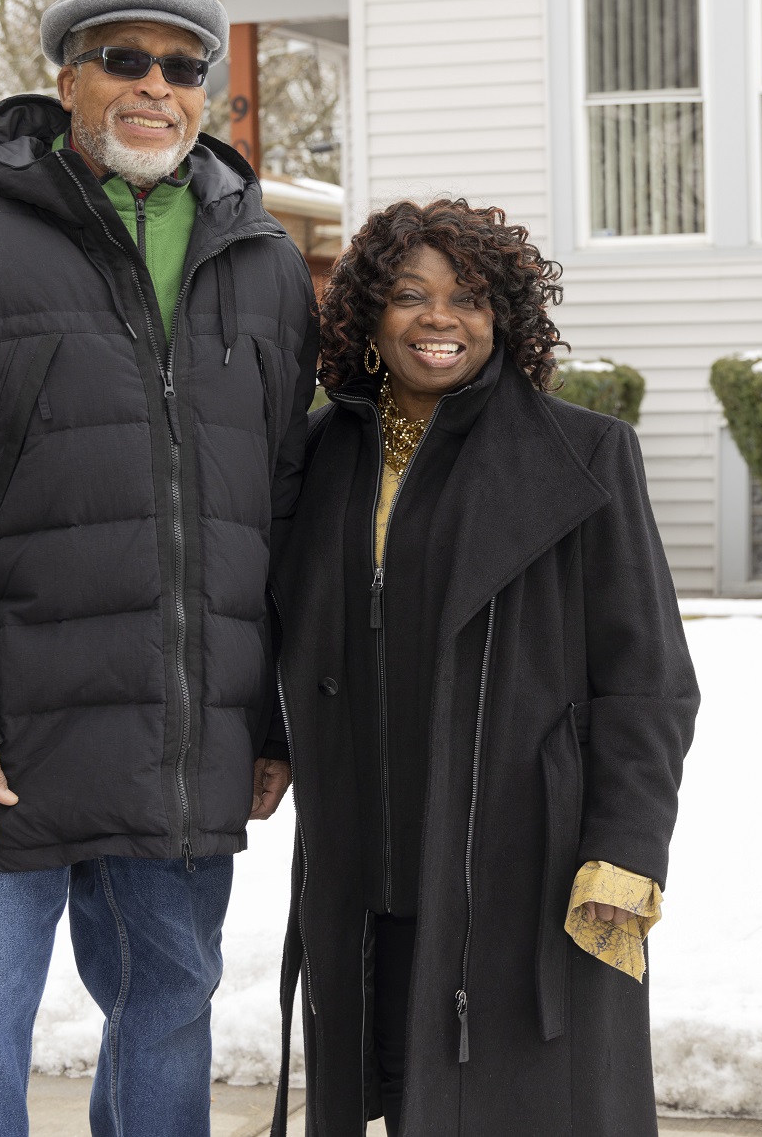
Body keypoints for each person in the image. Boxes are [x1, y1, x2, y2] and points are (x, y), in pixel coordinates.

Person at [0, 0, 317, 1137]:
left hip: (187, 739)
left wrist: (274, 720)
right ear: (67, 81)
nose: (154, 86)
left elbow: (290, 509)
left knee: (167, 1015)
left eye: (182, 67)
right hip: (0, 744)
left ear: (207, 97)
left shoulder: (266, 265)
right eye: (123, 60)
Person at [267, 200, 700, 1136]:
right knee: (387, 1095)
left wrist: (625, 851)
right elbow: (285, 625)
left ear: (503, 317)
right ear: (370, 318)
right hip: (366, 865)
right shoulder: (319, 453)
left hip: (523, 873)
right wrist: (269, 739)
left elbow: (649, 679)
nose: (439, 319)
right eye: (409, 295)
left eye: (467, 298)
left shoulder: (582, 455)